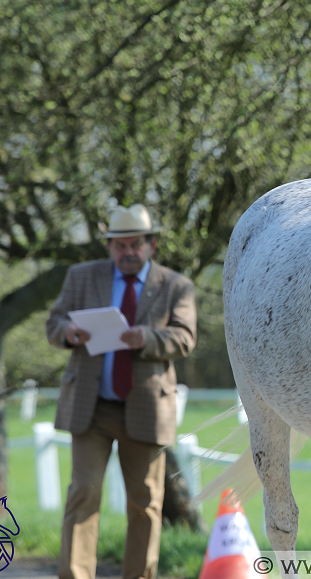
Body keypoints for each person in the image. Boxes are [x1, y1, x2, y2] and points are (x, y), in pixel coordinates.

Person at [46, 204, 197, 579]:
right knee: (84, 493)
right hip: (91, 406)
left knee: (145, 503)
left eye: (135, 244)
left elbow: (185, 338)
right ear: (109, 247)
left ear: (152, 245)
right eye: (119, 245)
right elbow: (54, 320)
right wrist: (67, 332)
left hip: (145, 407)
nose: (127, 252)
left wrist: (144, 338)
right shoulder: (81, 277)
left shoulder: (175, 285)